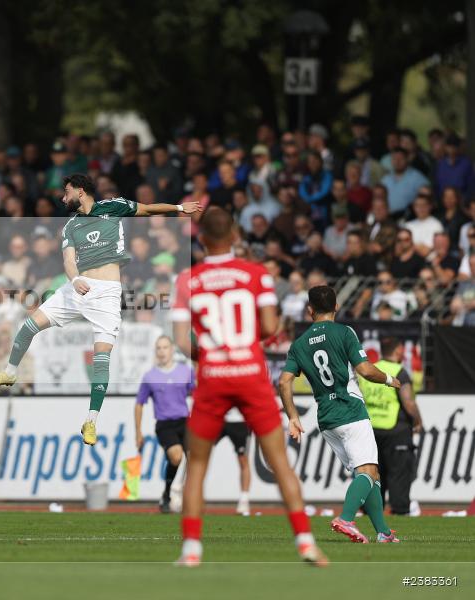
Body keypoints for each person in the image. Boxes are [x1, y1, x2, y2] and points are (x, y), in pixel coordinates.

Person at [0, 174, 201, 445]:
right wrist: (75, 280)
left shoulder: (114, 206)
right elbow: (68, 260)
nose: (63, 198)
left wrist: (179, 209)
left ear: (80, 192)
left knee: (101, 358)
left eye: (66, 192)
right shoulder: (71, 225)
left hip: (107, 294)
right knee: (29, 325)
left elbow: (148, 208)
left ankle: (91, 421)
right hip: (77, 287)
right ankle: (10, 373)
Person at [172, 207, 327, 567]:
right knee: (281, 464)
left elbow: (182, 341)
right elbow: (271, 326)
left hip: (213, 377)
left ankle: (191, 550)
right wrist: (241, 343)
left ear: (202, 239)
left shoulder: (186, 280)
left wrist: (213, 352)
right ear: (236, 237)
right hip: (251, 374)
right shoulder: (257, 274)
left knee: (197, 467)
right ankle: (306, 543)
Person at [278, 285, 401, 544]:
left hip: (327, 419)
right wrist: (389, 378)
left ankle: (384, 532)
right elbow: (366, 370)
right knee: (367, 471)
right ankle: (346, 518)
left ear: (309, 310)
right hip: (351, 409)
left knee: (369, 475)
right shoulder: (344, 332)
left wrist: (291, 416)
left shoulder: (299, 344)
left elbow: (283, 382)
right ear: (336, 306)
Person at [358, 337, 423, 516]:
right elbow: (408, 403)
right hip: (396, 431)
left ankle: (370, 514)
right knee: (399, 476)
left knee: (375, 476)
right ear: (398, 351)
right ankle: (400, 512)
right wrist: (418, 421)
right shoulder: (399, 371)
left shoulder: (370, 371)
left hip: (371, 431)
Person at [134, 336, 193, 513]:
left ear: (172, 349)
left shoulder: (186, 372)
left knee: (195, 458)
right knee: (176, 456)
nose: (162, 351)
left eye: (165, 347)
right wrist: (138, 432)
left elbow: (199, 394)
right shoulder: (150, 376)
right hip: (165, 424)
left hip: (185, 420)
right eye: (158, 348)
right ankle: (168, 493)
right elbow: (139, 403)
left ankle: (185, 495)